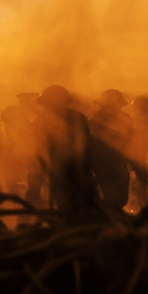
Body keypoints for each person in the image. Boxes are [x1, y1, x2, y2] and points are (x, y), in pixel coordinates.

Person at [36, 85, 98, 221]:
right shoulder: (44, 120)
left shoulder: (74, 118)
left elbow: (84, 144)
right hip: (64, 170)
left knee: (74, 204)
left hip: (72, 169)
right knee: (72, 205)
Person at [88, 89, 132, 212]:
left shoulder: (125, 118)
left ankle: (114, 214)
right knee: (108, 192)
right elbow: (91, 141)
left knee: (121, 193)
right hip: (101, 162)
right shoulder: (96, 119)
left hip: (119, 160)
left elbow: (131, 138)